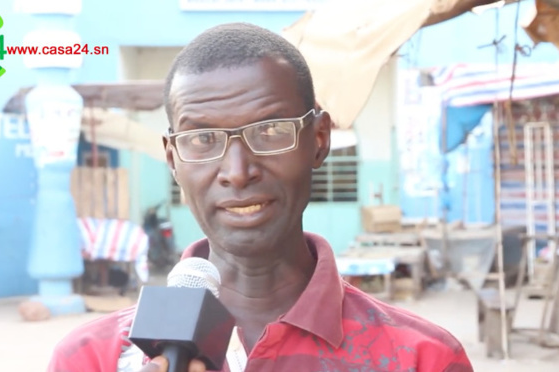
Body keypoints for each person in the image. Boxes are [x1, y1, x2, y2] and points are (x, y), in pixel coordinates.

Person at [47, 22, 474, 372]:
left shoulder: (421, 358)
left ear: (319, 140)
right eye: (203, 138)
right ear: (173, 159)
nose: (237, 172)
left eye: (270, 132)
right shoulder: (93, 358)